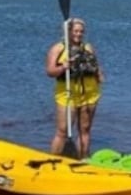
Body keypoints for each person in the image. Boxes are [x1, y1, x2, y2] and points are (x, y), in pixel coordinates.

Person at [45, 18, 104, 158]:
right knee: (62, 131)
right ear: (68, 32)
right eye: (75, 31)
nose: (79, 34)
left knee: (85, 130)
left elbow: (96, 66)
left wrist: (100, 75)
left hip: (89, 94)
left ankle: (83, 160)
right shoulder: (58, 48)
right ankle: (52, 161)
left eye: (81, 31)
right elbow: (50, 71)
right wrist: (63, 67)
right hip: (67, 94)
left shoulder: (88, 47)